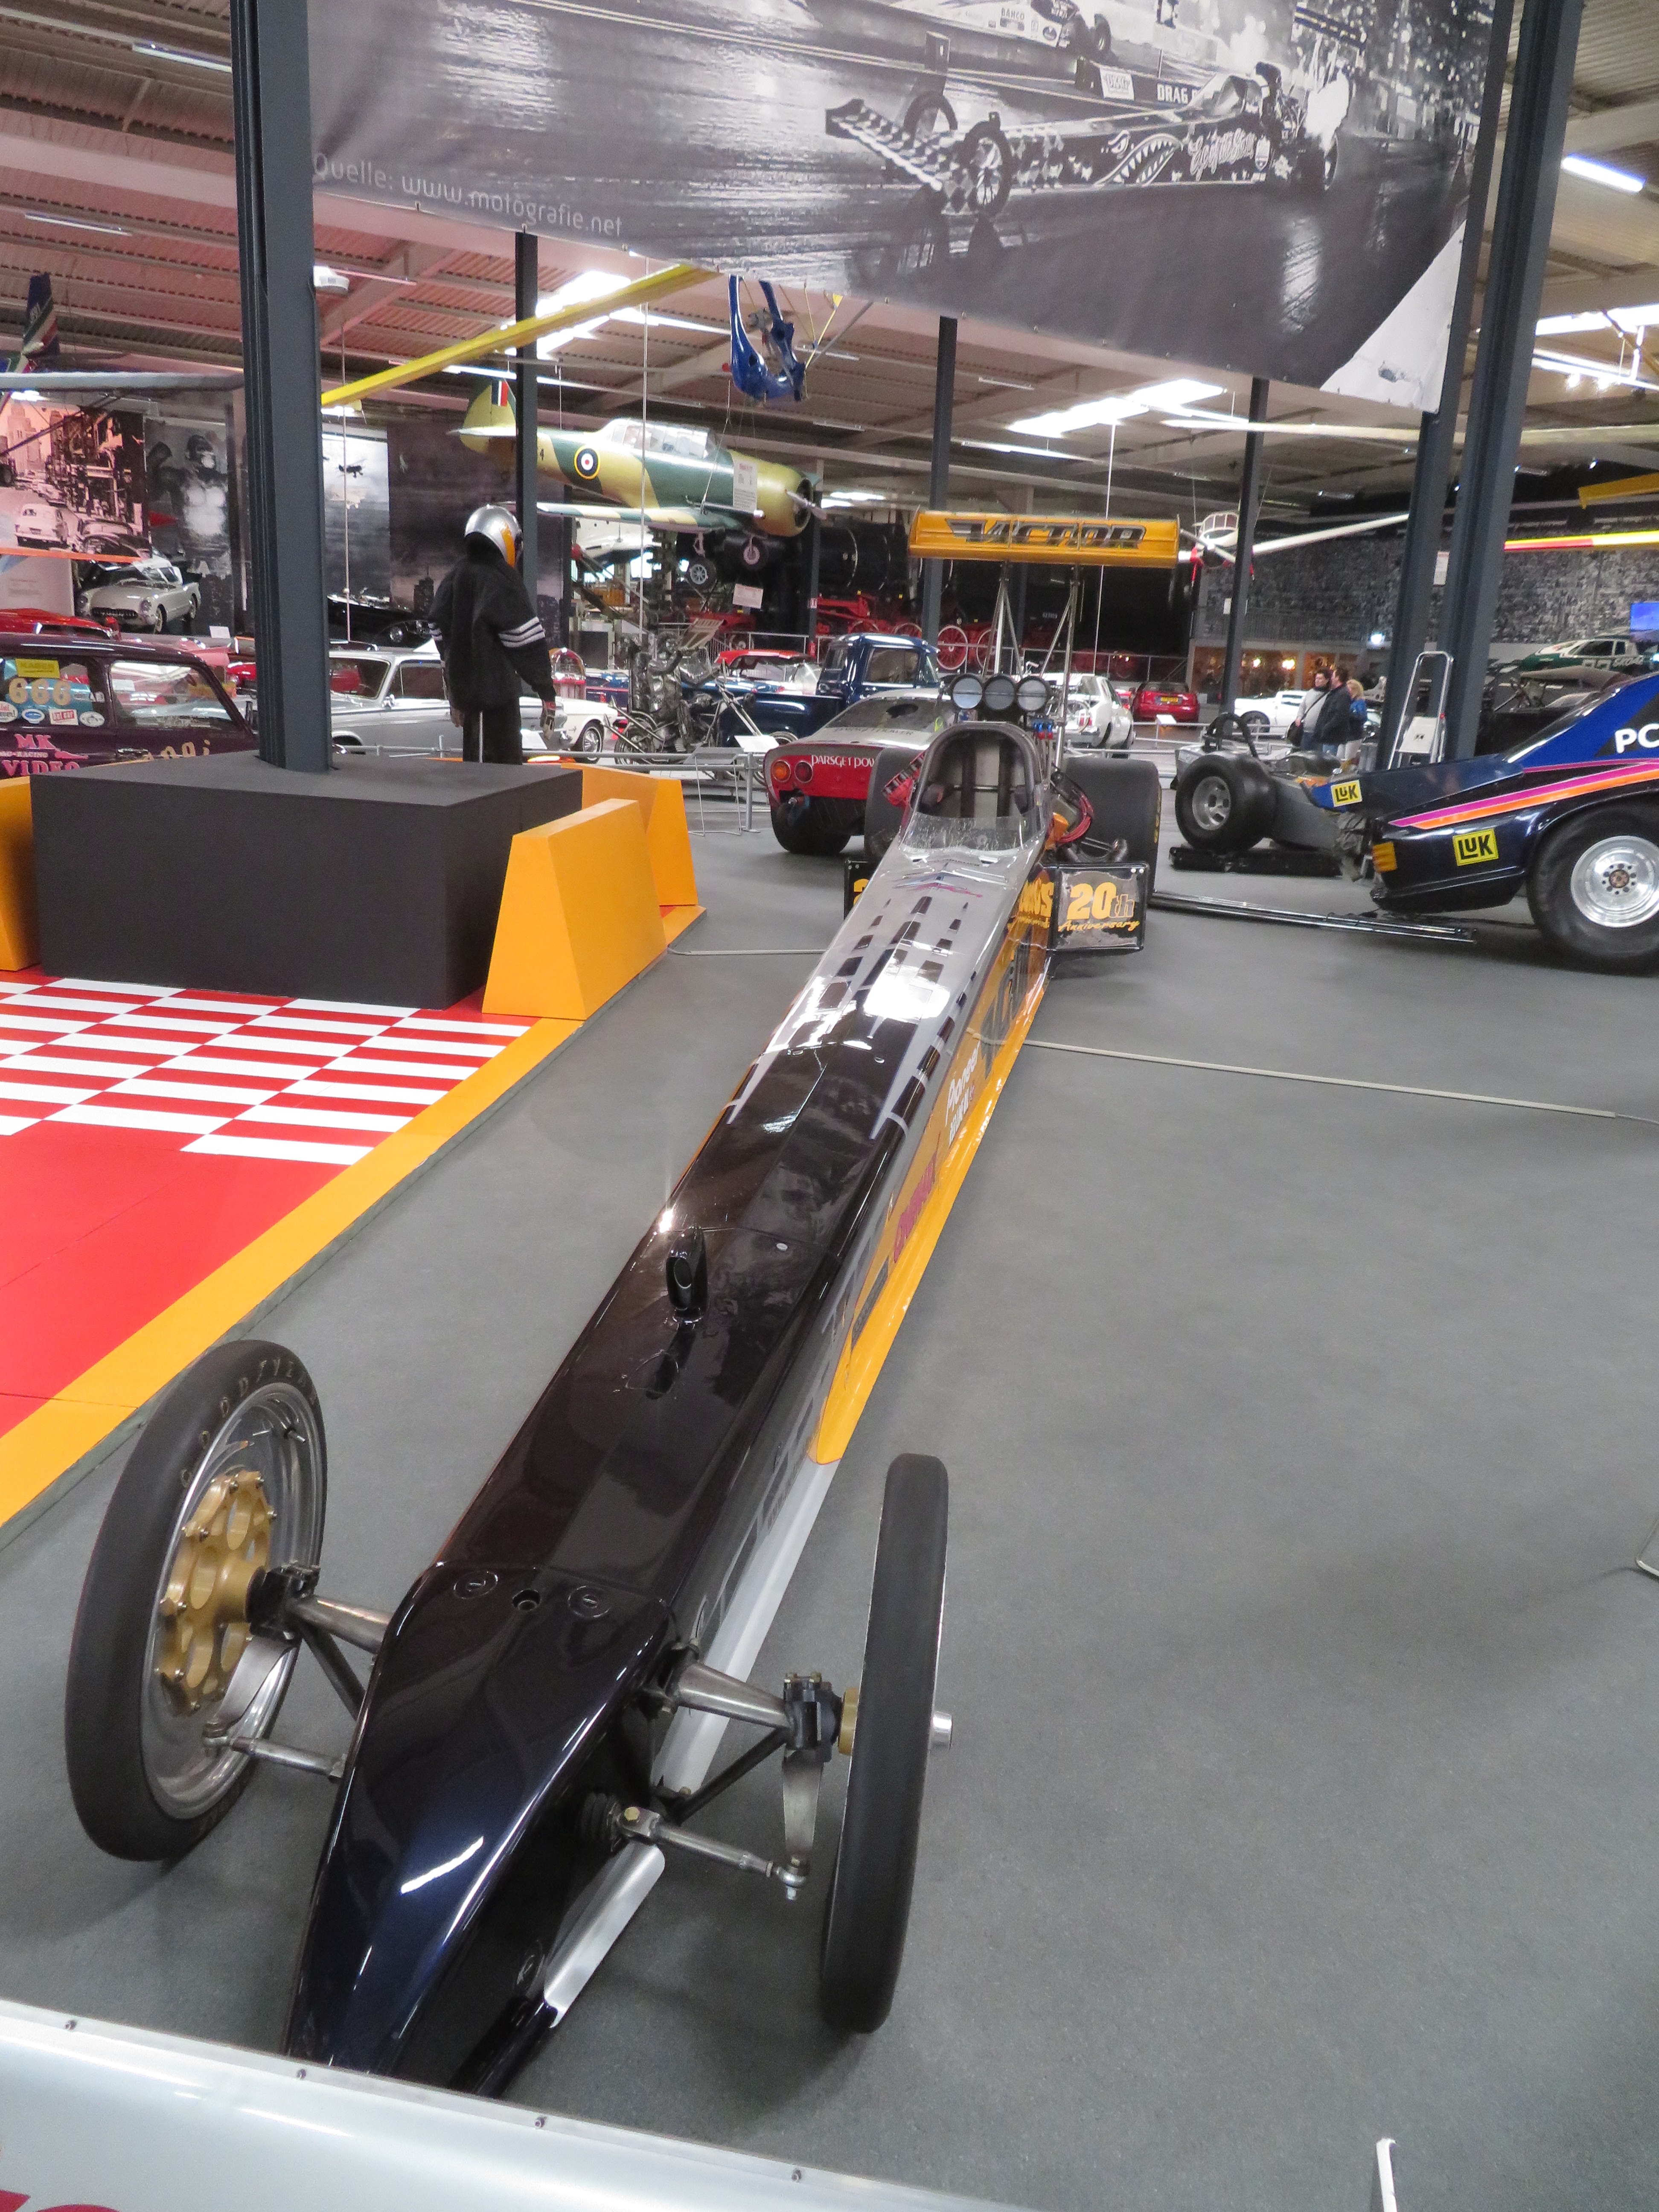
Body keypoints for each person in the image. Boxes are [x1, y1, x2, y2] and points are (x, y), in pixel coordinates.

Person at [430, 505, 558, 764]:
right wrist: (547, 693)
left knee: (474, 772)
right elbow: (527, 643)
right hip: (499, 700)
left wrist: (454, 693)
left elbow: (438, 626)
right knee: (504, 773)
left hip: (468, 704)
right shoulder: (502, 579)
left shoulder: (456, 575)